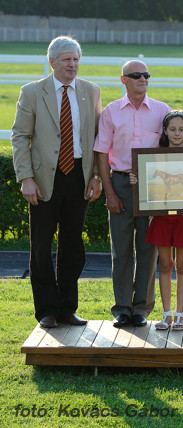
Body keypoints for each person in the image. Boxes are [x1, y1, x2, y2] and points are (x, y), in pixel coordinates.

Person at [11, 35, 102, 329]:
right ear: (51, 62)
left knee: (73, 246)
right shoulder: (33, 92)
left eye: (76, 59)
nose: (72, 65)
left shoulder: (91, 91)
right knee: (40, 246)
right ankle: (47, 310)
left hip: (78, 176)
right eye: (66, 60)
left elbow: (100, 140)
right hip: (43, 179)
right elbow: (20, 137)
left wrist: (97, 176)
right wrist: (26, 178)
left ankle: (66, 308)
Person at [94, 60, 171, 328]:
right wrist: (110, 192)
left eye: (146, 75)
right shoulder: (111, 112)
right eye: (136, 75)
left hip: (152, 186)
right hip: (121, 183)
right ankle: (122, 308)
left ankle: (142, 309)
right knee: (121, 250)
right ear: (123, 79)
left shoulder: (162, 111)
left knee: (149, 250)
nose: (142, 79)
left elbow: (172, 149)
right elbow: (102, 152)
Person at [129, 111, 183, 330]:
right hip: (162, 219)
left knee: (182, 266)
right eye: (172, 129)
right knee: (165, 265)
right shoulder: (154, 156)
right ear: (165, 131)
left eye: (181, 129)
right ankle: (166, 314)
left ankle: (180, 314)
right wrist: (137, 178)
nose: (177, 133)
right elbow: (146, 183)